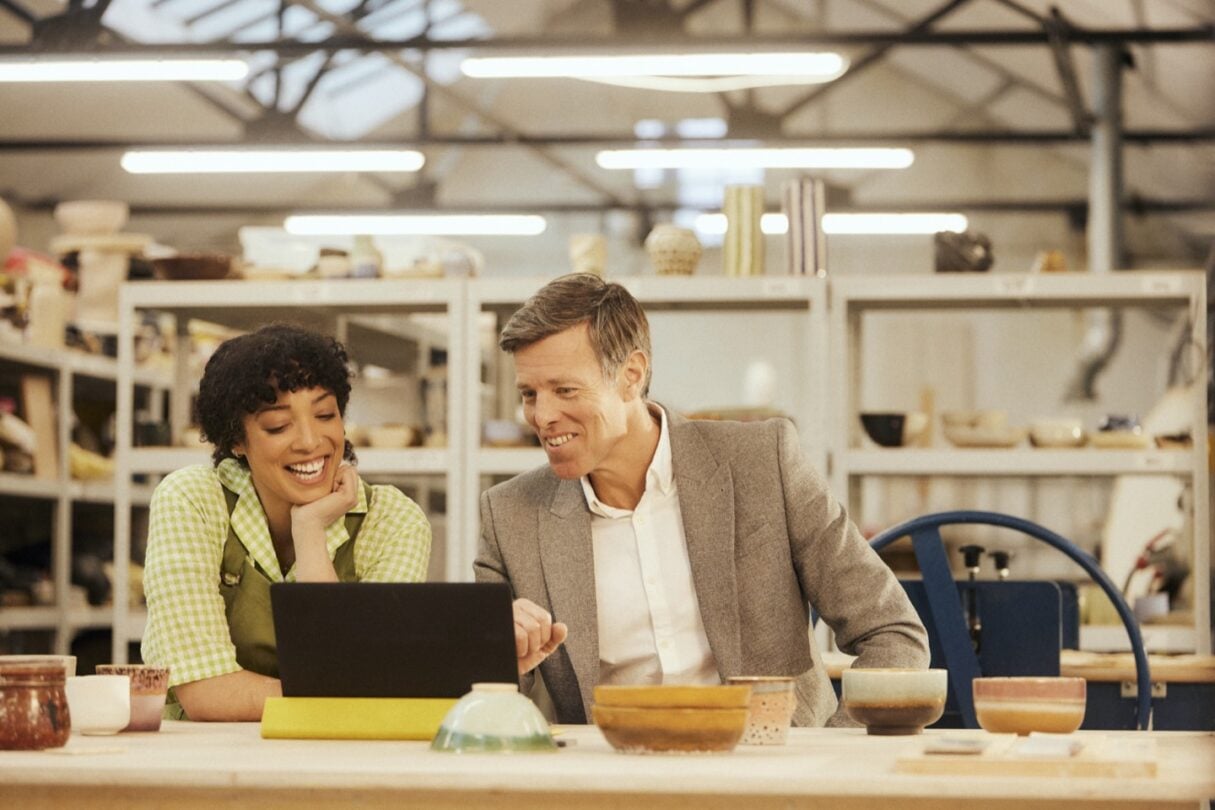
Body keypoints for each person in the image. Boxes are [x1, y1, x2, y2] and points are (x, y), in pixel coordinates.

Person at [474, 273, 928, 726]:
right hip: (614, 782)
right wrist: (498, 657)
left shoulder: (762, 464)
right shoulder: (510, 515)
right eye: (529, 394)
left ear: (631, 375)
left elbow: (892, 632)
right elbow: (467, 700)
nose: (543, 416)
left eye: (565, 390)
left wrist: (828, 752)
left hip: (770, 778)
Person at [142, 324, 431, 721]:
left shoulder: (393, 522)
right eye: (278, 426)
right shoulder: (193, 500)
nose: (311, 441)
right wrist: (329, 696)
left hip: (339, 753)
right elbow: (205, 691)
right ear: (236, 442)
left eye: (325, 415)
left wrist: (310, 531)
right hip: (206, 755)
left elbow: (367, 681)